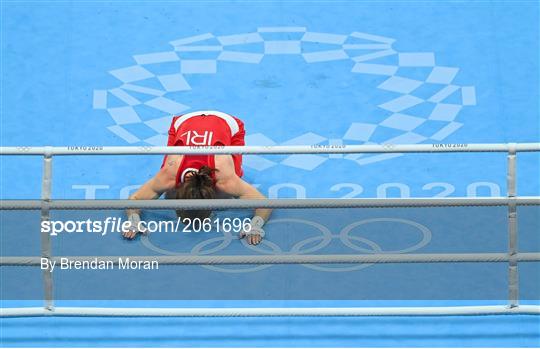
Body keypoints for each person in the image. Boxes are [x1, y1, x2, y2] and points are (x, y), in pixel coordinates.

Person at [122, 110, 271, 245]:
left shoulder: (225, 179)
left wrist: (255, 226)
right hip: (183, 122)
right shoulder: (169, 175)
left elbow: (264, 204)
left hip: (227, 123)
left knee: (226, 197)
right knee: (168, 193)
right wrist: (133, 221)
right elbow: (134, 200)